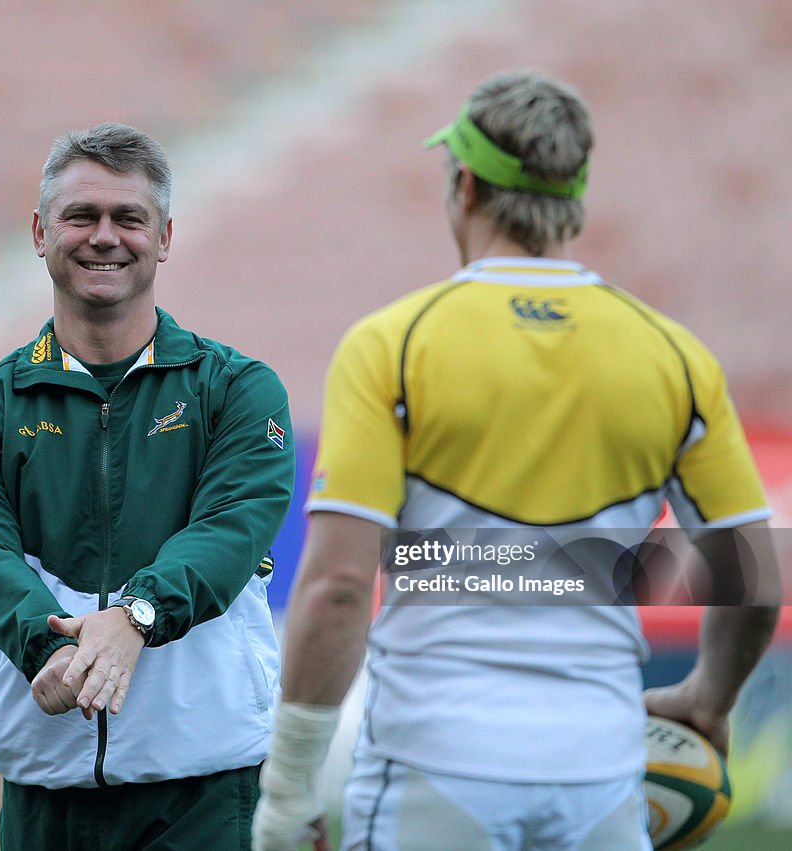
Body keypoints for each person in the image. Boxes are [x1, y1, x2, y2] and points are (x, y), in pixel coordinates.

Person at [253, 71, 782, 851]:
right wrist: (708, 697)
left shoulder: (391, 344)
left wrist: (289, 788)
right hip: (600, 775)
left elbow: (335, 586)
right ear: (576, 200)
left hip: (432, 766)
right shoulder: (674, 355)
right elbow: (752, 576)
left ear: (463, 184)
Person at [0, 122, 296, 850]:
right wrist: (49, 649)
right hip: (43, 788)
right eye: (81, 216)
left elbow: (231, 529)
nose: (105, 236)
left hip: (203, 787)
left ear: (163, 238)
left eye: (129, 218)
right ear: (40, 231)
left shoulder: (238, 389)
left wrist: (137, 618)